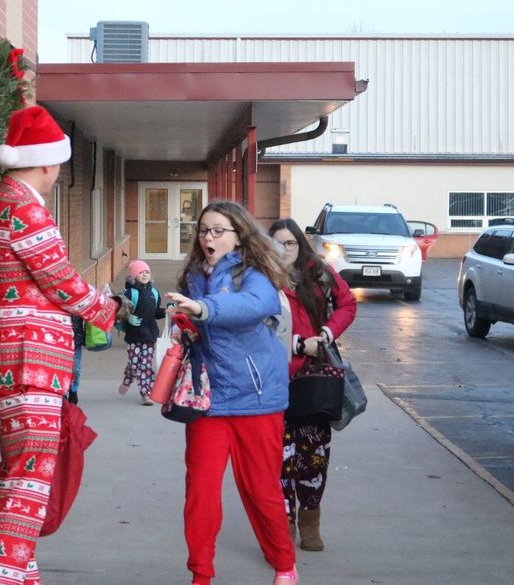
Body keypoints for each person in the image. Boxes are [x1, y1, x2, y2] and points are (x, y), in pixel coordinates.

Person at [0, 104, 129, 585]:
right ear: (46, 162)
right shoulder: (22, 205)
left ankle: (22, 573)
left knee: (20, 471)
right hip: (30, 361)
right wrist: (110, 309)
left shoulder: (9, 200)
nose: (59, 173)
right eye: (58, 164)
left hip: (21, 359)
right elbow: (59, 281)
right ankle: (8, 575)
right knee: (29, 475)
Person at [166, 201, 299, 585]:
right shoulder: (194, 275)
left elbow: (256, 305)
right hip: (208, 401)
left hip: (256, 399)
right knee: (200, 494)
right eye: (204, 230)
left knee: (260, 491)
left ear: (239, 234)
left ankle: (284, 564)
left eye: (218, 230)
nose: (208, 237)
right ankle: (201, 574)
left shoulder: (252, 272)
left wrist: (204, 308)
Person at [268, 218, 357, 552]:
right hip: (273, 380)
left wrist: (326, 334)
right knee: (278, 459)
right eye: (277, 243)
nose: (284, 250)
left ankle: (310, 519)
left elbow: (347, 304)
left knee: (314, 455)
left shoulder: (319, 273)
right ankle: (285, 523)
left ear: (300, 245)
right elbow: (256, 326)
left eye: (290, 243)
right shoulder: (259, 278)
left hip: (315, 379)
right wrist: (296, 344)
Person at [118, 259, 166, 405]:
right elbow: (119, 311)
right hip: (133, 336)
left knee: (145, 365)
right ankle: (128, 379)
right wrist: (129, 317)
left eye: (147, 272)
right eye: (141, 272)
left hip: (149, 335)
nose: (144, 274)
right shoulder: (128, 292)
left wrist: (167, 310)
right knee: (134, 363)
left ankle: (146, 394)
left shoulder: (154, 293)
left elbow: (156, 313)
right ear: (134, 275)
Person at [68, 315, 84, 405]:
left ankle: (73, 390)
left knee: (76, 369)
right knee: (62, 368)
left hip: (76, 339)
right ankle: (63, 393)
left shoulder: (78, 301)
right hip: (60, 337)